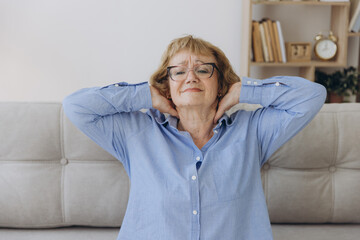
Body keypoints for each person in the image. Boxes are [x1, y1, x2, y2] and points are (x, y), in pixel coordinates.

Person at [63, 35, 327, 240]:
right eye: (178, 72)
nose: (191, 77)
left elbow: (312, 96)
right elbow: (76, 106)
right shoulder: (137, 132)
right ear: (166, 86)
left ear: (221, 84)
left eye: (203, 70)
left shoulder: (253, 130)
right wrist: (144, 95)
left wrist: (243, 91)